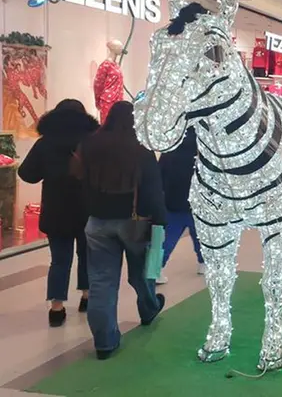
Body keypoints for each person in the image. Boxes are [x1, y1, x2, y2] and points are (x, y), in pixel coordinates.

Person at [75, 101, 166, 359]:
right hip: (134, 222)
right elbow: (153, 189)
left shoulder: (89, 145)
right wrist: (159, 221)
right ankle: (148, 309)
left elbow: (79, 183)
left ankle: (104, 342)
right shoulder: (141, 149)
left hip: (97, 222)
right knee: (141, 274)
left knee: (102, 282)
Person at [18, 99, 99, 327]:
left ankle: (56, 308)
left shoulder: (45, 143)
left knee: (60, 261)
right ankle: (86, 297)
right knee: (87, 256)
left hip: (56, 211)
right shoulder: (92, 141)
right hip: (87, 210)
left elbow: (27, 174)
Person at [157, 127, 204, 284]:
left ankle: (156, 269)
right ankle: (203, 263)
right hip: (198, 203)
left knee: (167, 239)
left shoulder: (169, 152)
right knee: (201, 236)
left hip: (173, 202)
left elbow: (159, 175)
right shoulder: (201, 154)